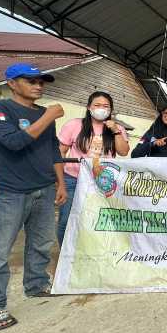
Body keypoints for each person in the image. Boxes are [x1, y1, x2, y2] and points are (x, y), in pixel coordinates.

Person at [0, 63, 67, 331]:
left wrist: (60, 183)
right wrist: (48, 116)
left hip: (45, 188)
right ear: (11, 83)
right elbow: (14, 142)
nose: (38, 85)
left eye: (41, 81)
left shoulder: (43, 114)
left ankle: (37, 284)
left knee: (41, 243)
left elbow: (53, 150)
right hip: (11, 192)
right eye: (30, 81)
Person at [57, 92, 130, 246]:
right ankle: (66, 254)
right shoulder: (74, 125)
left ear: (111, 110)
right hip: (73, 180)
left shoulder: (117, 128)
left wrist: (116, 130)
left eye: (106, 106)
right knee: (66, 220)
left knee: (96, 219)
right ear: (89, 107)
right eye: (97, 105)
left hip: (102, 182)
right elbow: (61, 152)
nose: (101, 109)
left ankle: (88, 253)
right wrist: (60, 180)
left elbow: (123, 151)